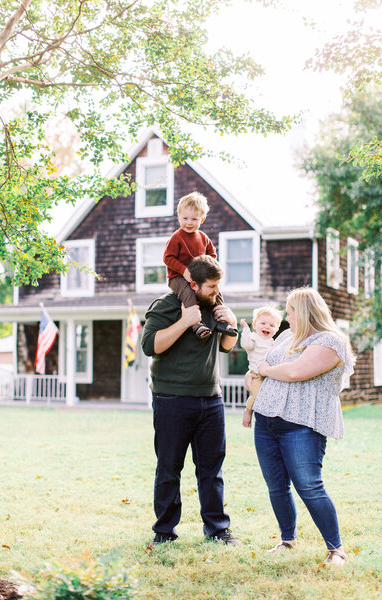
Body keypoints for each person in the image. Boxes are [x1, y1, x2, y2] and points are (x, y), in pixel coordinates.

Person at [247, 287, 355, 566]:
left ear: (304, 312)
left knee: (309, 486)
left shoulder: (331, 341)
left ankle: (336, 549)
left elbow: (295, 372)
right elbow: (258, 369)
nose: (286, 316)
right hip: (266, 421)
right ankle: (287, 540)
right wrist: (258, 374)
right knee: (276, 486)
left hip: (302, 426)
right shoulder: (285, 336)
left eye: (290, 311)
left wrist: (266, 371)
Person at [141, 254, 240, 546]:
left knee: (212, 470)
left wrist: (231, 323)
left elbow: (225, 347)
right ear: (192, 284)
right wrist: (185, 321)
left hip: (211, 400)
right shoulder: (166, 305)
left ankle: (218, 529)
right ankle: (164, 532)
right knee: (169, 468)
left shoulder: (215, 305)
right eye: (210, 287)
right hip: (172, 399)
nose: (216, 292)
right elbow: (150, 346)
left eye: (218, 286)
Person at [163, 191, 238, 340]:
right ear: (178, 217)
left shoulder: (203, 237)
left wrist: (209, 270)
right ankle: (196, 323)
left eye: (194, 219)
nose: (189, 223)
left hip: (201, 278)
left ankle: (222, 320)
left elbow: (212, 255)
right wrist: (183, 271)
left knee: (215, 292)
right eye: (185, 218)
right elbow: (168, 258)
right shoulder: (176, 238)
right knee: (188, 293)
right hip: (178, 278)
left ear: (202, 219)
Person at [240, 306, 282, 428]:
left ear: (277, 329)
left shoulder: (273, 342)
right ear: (254, 324)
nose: (267, 327)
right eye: (263, 323)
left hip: (269, 376)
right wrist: (246, 330)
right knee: (257, 396)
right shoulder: (254, 338)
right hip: (256, 375)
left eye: (272, 325)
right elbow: (246, 345)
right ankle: (248, 412)